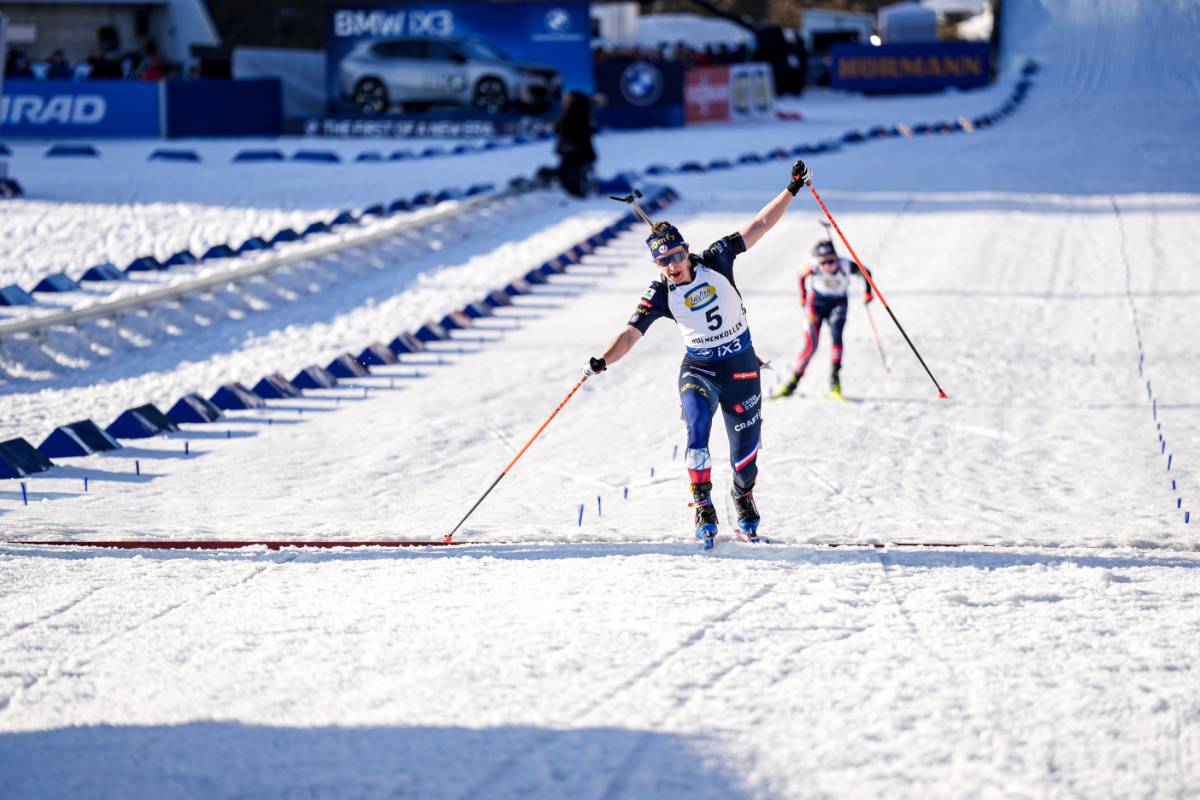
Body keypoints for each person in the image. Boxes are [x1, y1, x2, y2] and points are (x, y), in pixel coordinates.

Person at [584, 160, 811, 547]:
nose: (672, 266)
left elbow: (760, 225)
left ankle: (743, 495)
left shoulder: (717, 258)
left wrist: (791, 189)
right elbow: (630, 334)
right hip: (700, 370)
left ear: (686, 251)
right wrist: (603, 359)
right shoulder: (660, 293)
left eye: (675, 256)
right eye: (662, 261)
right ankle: (703, 504)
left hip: (741, 367)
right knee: (697, 432)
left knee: (746, 454)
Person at [774, 239, 873, 400]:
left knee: (837, 337)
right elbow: (801, 276)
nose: (827, 266)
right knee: (811, 345)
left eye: (831, 261)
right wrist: (803, 296)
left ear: (836, 257)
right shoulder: (813, 266)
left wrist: (868, 293)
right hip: (816, 305)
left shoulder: (846, 265)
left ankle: (835, 381)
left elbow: (866, 273)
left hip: (838, 304)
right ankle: (793, 382)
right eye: (823, 262)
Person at [553, 91, 597, 198]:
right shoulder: (582, 113)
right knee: (576, 174)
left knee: (571, 176)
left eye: (566, 100)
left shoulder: (571, 114)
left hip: (572, 152)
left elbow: (559, 128)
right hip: (580, 152)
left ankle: (577, 193)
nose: (564, 102)